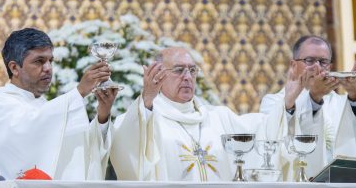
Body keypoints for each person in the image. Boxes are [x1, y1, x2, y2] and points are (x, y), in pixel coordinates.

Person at [111, 47, 307, 181]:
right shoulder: (146, 117)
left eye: (192, 70)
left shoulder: (219, 117)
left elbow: (264, 131)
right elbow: (128, 148)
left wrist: (287, 101)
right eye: (179, 70)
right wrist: (146, 99)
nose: (187, 77)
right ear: (159, 75)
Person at [0, 28, 118, 181]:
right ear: (14, 68)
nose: (48, 68)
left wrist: (102, 115)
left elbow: (80, 151)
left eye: (50, 61)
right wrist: (80, 92)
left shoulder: (45, 107)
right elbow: (28, 131)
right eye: (39, 61)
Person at [260, 35, 356, 180]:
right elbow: (273, 139)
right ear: (293, 65)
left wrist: (355, 94)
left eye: (323, 62)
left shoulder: (343, 103)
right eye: (309, 60)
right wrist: (314, 98)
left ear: (329, 67)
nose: (317, 67)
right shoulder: (274, 102)